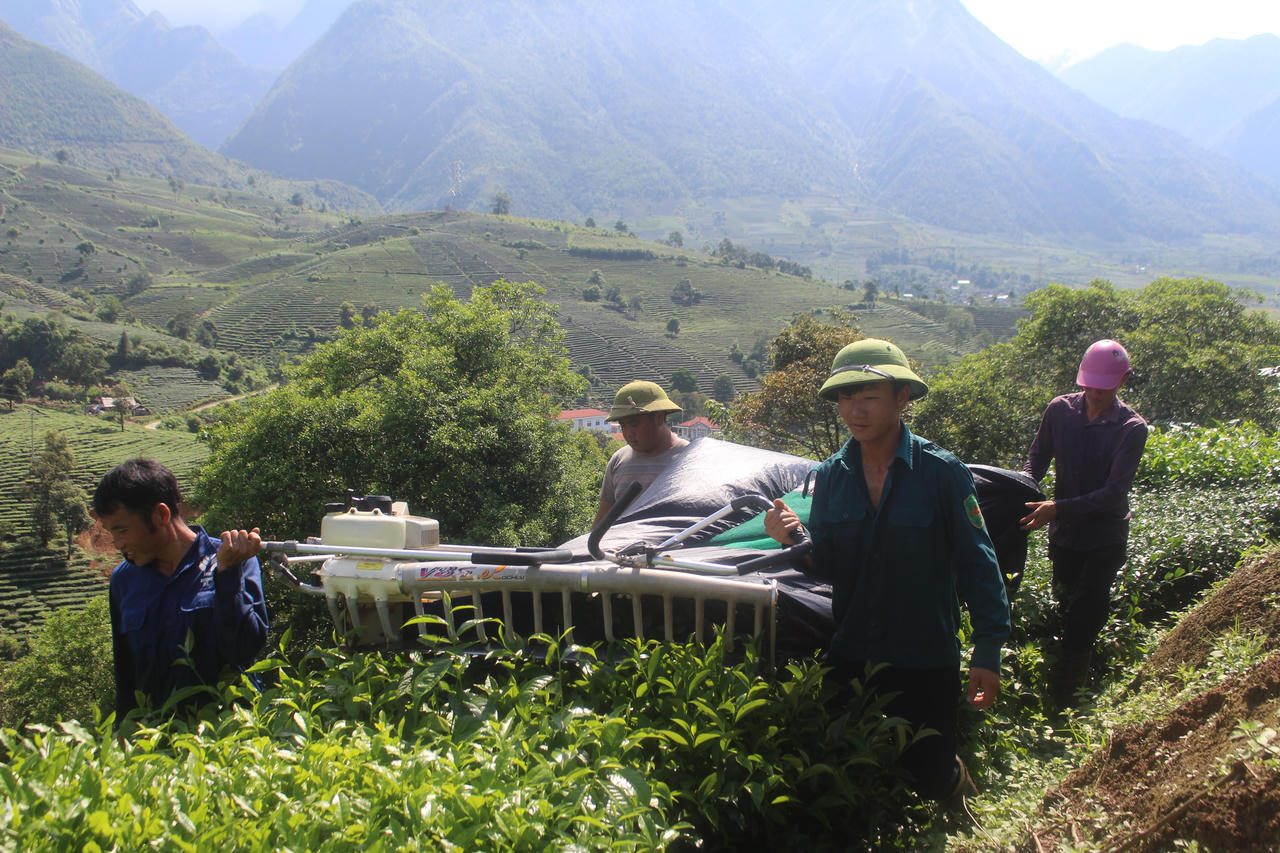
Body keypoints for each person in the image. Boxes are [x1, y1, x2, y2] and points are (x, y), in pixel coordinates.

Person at [764, 338, 1010, 802]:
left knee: (929, 772)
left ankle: (959, 796)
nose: (855, 410)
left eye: (869, 396)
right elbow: (830, 565)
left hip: (925, 653)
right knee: (837, 766)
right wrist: (795, 539)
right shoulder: (832, 476)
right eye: (845, 396)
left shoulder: (942, 473)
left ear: (902, 398)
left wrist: (988, 649)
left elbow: (979, 562)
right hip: (854, 648)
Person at [1020, 339, 1148, 706]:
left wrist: (1056, 507)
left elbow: (1113, 493)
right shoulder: (1060, 411)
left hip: (1104, 535)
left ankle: (1070, 693)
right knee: (1064, 598)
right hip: (1066, 535)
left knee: (1087, 609)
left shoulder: (1131, 428)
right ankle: (1063, 668)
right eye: (1089, 385)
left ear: (1121, 382)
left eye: (1103, 387)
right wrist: (1023, 487)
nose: (1094, 393)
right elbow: (1038, 456)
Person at [94, 458, 269, 723]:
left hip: (228, 737)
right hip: (157, 743)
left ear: (161, 515)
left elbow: (243, 651)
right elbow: (126, 675)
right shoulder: (124, 580)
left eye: (122, 531)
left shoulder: (231, 560)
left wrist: (228, 575)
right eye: (111, 533)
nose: (117, 544)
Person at [593, 380, 690, 525]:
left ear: (658, 418)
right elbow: (602, 521)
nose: (628, 433)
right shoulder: (618, 460)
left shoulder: (688, 459)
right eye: (623, 425)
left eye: (634, 424)